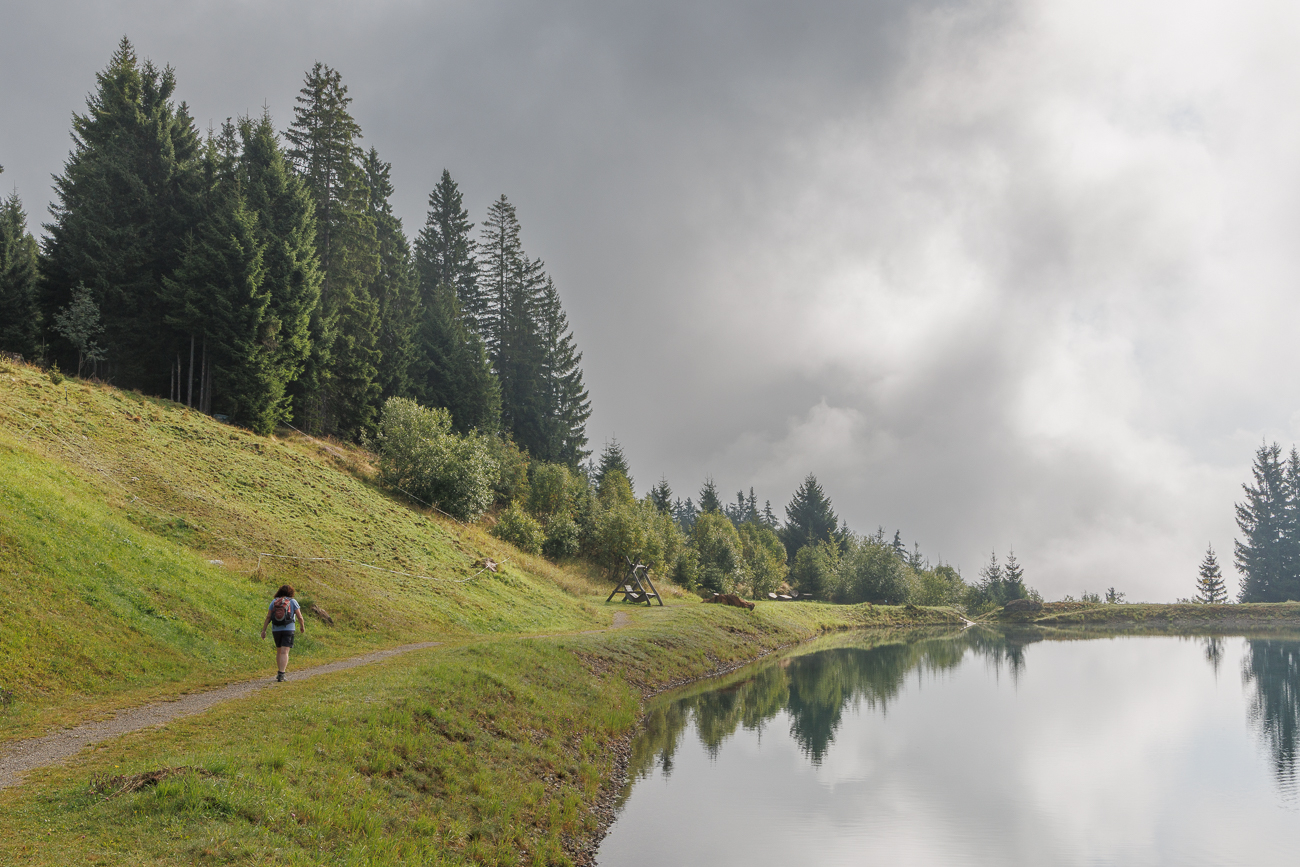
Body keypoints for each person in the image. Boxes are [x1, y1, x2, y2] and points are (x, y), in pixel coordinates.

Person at [261, 584, 305, 682]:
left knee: (279, 651)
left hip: (276, 629)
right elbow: (299, 616)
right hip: (288, 629)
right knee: (285, 652)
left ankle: (279, 672)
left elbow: (268, 617)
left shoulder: (274, 602)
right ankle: (281, 673)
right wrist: (302, 626)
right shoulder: (292, 601)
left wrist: (264, 630)